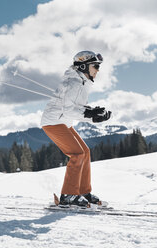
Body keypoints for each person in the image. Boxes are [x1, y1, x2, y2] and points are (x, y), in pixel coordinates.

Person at [41, 51, 111, 207]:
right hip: (53, 122)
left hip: (62, 122)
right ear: (84, 66)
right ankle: (68, 195)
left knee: (85, 152)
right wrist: (90, 114)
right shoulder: (74, 83)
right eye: (95, 66)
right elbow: (69, 110)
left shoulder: (80, 83)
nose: (97, 70)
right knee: (77, 153)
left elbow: (76, 109)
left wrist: (94, 113)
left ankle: (82, 192)